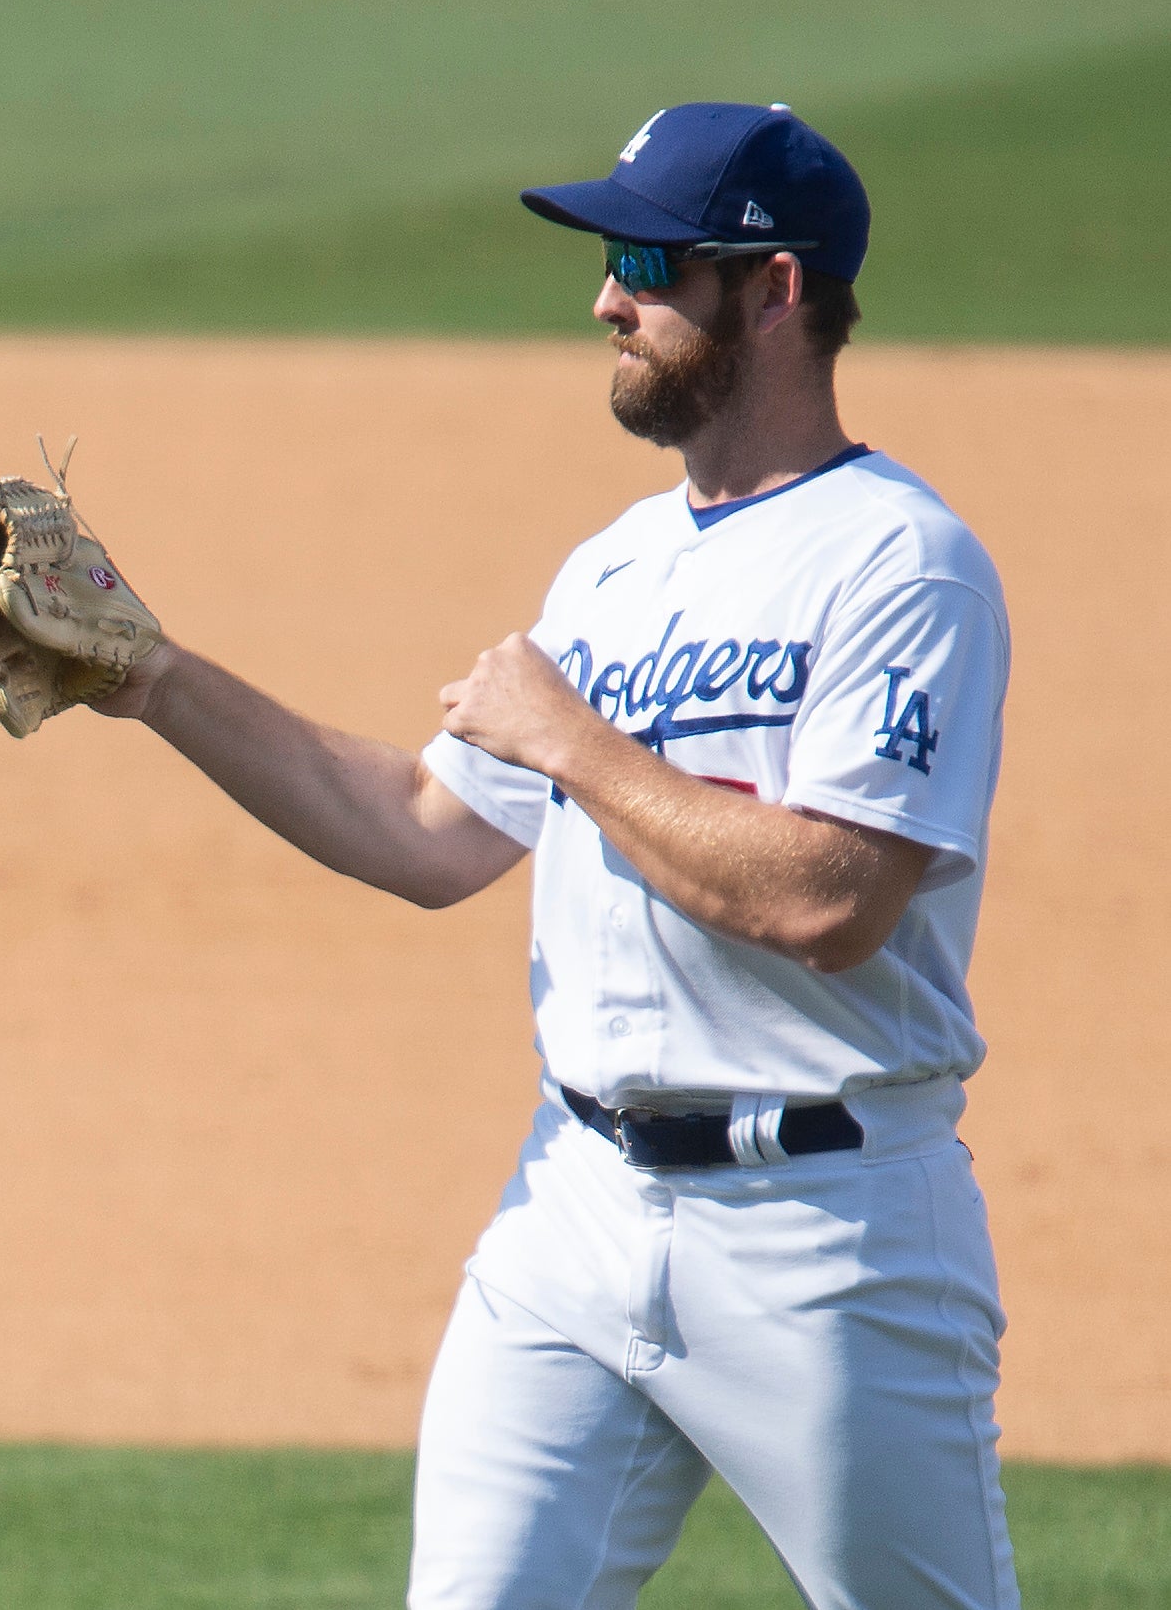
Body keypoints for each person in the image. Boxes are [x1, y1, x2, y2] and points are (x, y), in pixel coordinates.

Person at [96, 104, 1015, 1607]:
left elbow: (830, 901)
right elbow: (419, 830)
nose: (606, 298)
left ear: (775, 290)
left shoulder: (903, 564)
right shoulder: (615, 569)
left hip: (829, 1241)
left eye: (648, 261)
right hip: (574, 1216)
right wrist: (150, 677)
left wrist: (575, 742)